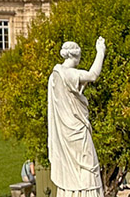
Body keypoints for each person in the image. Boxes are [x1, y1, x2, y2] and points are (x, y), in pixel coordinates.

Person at [47, 38, 107, 196]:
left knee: (70, 168)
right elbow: (93, 75)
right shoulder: (70, 74)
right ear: (76, 56)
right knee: (88, 166)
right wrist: (100, 51)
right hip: (78, 130)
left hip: (64, 132)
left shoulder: (54, 76)